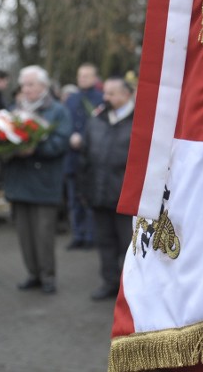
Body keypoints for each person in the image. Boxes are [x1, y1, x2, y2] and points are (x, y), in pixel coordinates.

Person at [2, 65, 71, 294]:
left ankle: (47, 275)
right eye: (23, 85)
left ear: (43, 86)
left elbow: (61, 143)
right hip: (19, 181)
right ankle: (32, 273)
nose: (26, 89)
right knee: (24, 234)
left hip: (44, 183)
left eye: (30, 84)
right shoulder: (13, 111)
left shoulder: (57, 111)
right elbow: (2, 140)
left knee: (43, 235)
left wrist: (35, 148)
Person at [78, 76, 135, 301]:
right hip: (99, 194)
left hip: (125, 197)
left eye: (111, 93)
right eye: (106, 93)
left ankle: (130, 286)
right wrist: (85, 190)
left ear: (126, 94)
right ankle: (109, 282)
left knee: (128, 244)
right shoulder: (97, 120)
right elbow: (84, 157)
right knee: (105, 242)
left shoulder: (140, 122)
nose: (105, 97)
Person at [64, 63, 104, 251]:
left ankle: (91, 235)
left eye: (87, 76)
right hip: (72, 158)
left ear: (95, 78)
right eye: (80, 76)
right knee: (74, 200)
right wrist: (70, 135)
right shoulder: (71, 99)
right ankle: (77, 234)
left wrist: (85, 138)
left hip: (92, 158)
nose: (83, 79)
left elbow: (102, 127)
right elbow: (65, 122)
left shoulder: (101, 99)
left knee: (89, 200)